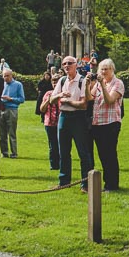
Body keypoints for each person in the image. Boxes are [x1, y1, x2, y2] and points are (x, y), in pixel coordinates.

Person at [50, 55, 94, 192]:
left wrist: (67, 101)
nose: (67, 66)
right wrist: (60, 95)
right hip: (63, 117)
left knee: (83, 151)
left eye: (70, 63)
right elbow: (52, 99)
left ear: (76, 65)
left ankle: (86, 184)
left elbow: (83, 105)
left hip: (78, 118)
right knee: (63, 151)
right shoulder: (62, 80)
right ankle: (64, 181)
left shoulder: (81, 81)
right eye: (64, 64)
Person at [88, 58, 125, 192]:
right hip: (97, 123)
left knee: (110, 154)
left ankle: (112, 184)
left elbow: (109, 100)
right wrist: (88, 84)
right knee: (102, 155)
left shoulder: (118, 83)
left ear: (112, 69)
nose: (104, 71)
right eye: (102, 69)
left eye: (106, 69)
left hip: (111, 123)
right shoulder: (98, 84)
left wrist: (102, 85)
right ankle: (107, 184)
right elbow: (89, 99)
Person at [0, 69, 25, 159]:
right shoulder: (1, 84)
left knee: (12, 132)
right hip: (1, 109)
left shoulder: (18, 85)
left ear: (11, 75)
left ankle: (14, 153)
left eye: (7, 76)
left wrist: (10, 99)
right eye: (4, 76)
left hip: (12, 109)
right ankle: (4, 152)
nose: (5, 78)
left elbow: (22, 99)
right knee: (2, 133)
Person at [39, 74, 61, 170]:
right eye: (53, 82)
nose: (55, 84)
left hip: (61, 123)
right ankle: (54, 164)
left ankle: (62, 163)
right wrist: (48, 100)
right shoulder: (48, 93)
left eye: (57, 82)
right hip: (50, 123)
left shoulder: (64, 93)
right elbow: (42, 109)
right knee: (52, 144)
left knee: (61, 144)